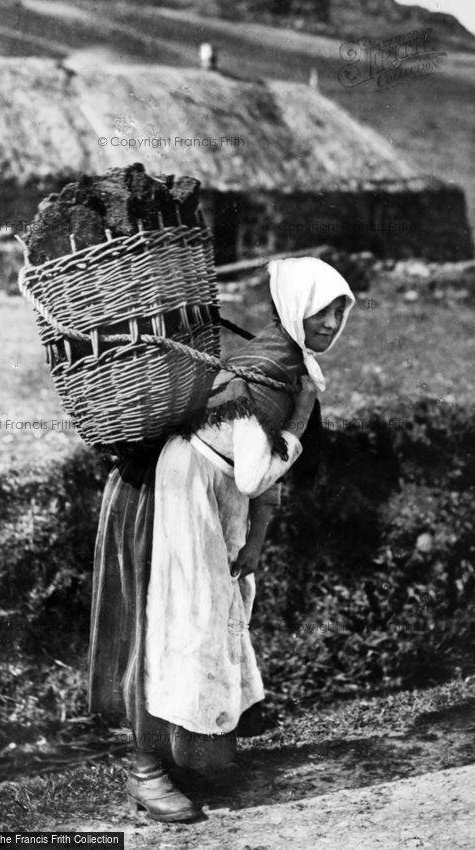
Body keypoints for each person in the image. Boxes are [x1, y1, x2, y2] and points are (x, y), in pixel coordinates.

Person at [88, 257, 355, 822]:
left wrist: (254, 543)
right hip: (181, 494)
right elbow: (258, 473)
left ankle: (183, 757)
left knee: (211, 619)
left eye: (340, 310)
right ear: (293, 307)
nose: (331, 323)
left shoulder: (290, 365)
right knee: (177, 621)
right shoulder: (266, 372)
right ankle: (146, 770)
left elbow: (263, 482)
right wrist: (300, 423)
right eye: (322, 309)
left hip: (214, 495)